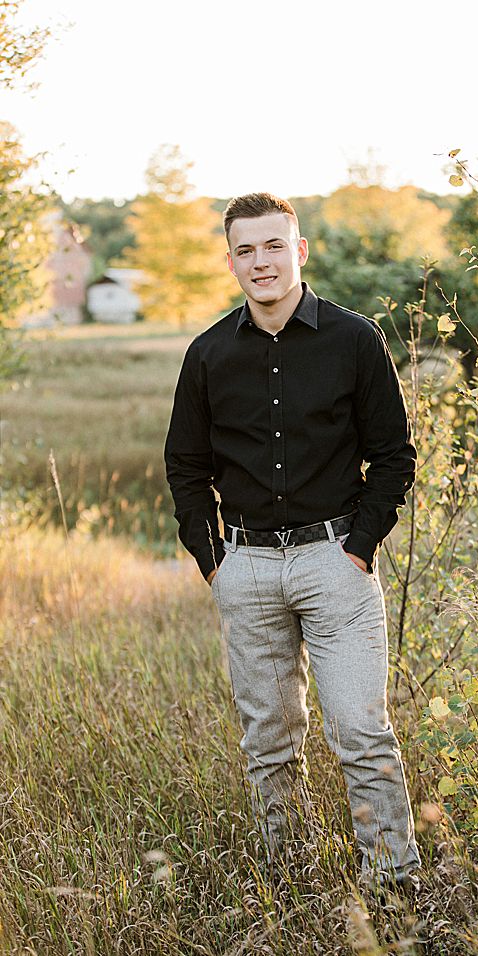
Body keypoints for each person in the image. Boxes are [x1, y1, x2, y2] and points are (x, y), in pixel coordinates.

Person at [164, 192, 421, 891]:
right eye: (245, 250)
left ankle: (394, 885)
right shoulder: (208, 354)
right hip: (246, 569)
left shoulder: (354, 340)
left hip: (335, 563)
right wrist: (214, 562)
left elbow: (393, 456)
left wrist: (359, 547)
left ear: (299, 251)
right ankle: (290, 879)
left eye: (274, 245)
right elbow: (185, 467)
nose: (261, 262)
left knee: (361, 732)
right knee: (270, 744)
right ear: (230, 262)